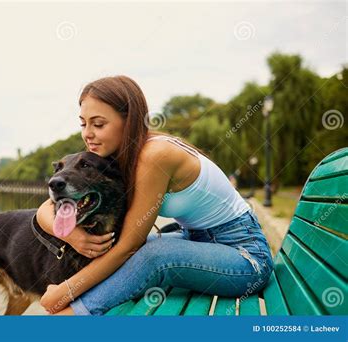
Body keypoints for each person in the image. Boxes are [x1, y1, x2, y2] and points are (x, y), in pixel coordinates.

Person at [37, 75, 273, 315]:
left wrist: (65, 291)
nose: (88, 133)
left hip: (245, 258)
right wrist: (74, 237)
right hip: (198, 241)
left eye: (98, 124)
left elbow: (129, 246)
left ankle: (76, 314)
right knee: (121, 247)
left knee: (154, 255)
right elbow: (44, 210)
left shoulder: (155, 155)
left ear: (128, 121)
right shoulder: (115, 158)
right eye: (83, 124)